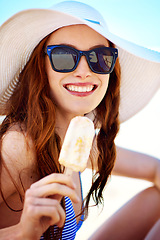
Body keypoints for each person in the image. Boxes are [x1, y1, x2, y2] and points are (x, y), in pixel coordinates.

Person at [0, 1, 160, 239]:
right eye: (64, 56)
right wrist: (24, 231)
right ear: (40, 68)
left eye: (99, 57)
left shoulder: (81, 146)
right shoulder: (18, 146)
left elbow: (155, 169)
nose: (84, 71)